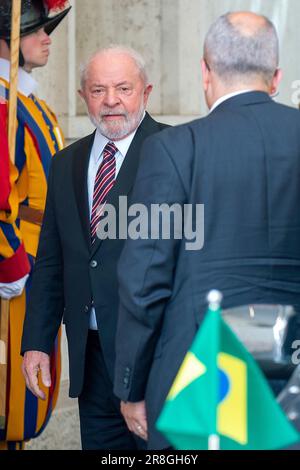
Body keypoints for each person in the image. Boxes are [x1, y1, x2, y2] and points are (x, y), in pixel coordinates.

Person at [113, 12, 300, 449]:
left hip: (201, 383)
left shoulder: (174, 149)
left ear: (205, 71)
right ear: (275, 77)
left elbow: (144, 280)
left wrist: (132, 385)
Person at [21, 45, 168, 450]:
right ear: (84, 95)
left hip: (156, 359)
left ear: (146, 92)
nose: (111, 101)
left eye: (123, 88)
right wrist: (36, 340)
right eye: (99, 90)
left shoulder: (176, 152)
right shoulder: (66, 161)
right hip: (92, 360)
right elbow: (52, 260)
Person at [0, 0, 71, 450]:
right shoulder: (4, 104)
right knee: (9, 391)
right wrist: (11, 264)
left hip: (44, 257)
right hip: (20, 263)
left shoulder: (29, 102)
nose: (48, 37)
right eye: (36, 29)